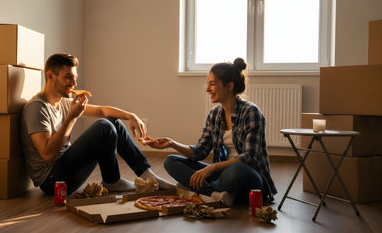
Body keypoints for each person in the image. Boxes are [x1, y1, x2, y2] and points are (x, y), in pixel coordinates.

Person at [20, 53, 175, 195]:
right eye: (68, 77)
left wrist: (131, 115)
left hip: (66, 169)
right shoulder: (37, 107)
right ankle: (112, 181)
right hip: (52, 181)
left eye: (75, 77)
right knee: (103, 127)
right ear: (50, 76)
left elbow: (102, 111)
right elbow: (47, 154)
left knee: (113, 121)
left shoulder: (64, 103)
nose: (73, 83)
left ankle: (146, 176)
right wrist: (71, 118)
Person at [148, 58, 277, 206]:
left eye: (212, 84)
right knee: (171, 161)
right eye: (208, 84)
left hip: (248, 177)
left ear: (229, 85)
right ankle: (216, 194)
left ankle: (200, 190)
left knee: (236, 170)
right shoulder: (214, 114)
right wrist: (172, 144)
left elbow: (249, 157)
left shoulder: (250, 111)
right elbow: (200, 151)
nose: (207, 89)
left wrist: (213, 167)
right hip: (222, 175)